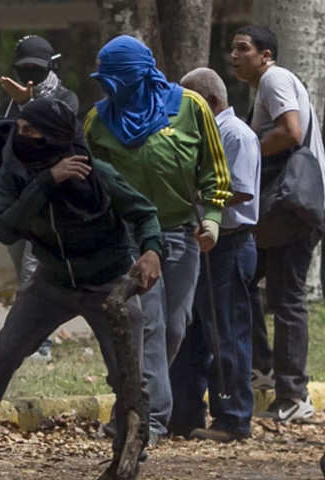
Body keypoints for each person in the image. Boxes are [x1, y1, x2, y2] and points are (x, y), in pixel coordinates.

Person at [0, 98, 162, 480]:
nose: (24, 139)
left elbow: (143, 213)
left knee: (127, 377)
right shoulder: (13, 174)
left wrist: (151, 251)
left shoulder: (96, 173)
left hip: (107, 284)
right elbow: (5, 229)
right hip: (50, 283)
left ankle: (125, 460)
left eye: (34, 132)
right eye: (20, 130)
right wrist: (46, 181)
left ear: (57, 136)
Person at [84, 35, 231, 444]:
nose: (109, 88)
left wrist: (214, 218)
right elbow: (88, 181)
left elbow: (214, 168)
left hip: (181, 232)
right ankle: (148, 421)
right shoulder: (99, 120)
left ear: (141, 75)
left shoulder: (190, 106)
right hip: (130, 236)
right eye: (104, 79)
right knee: (146, 324)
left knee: (174, 327)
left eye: (118, 79)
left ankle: (130, 407)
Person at [231, 25, 325, 421]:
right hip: (282, 210)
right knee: (243, 280)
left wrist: (246, 148)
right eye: (232, 49)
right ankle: (265, 369)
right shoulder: (265, 85)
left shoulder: (274, 78)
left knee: (286, 299)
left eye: (242, 49)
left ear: (265, 55)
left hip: (293, 210)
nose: (233, 55)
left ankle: (293, 396)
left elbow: (291, 132)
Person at [167, 67, 261, 442]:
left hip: (230, 243)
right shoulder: (204, 134)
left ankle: (233, 418)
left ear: (210, 102)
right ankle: (184, 412)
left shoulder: (234, 134)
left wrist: (192, 198)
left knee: (227, 332)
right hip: (201, 241)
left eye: (191, 104)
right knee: (192, 332)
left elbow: (237, 190)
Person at [0, 35, 79, 362]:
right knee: (24, 271)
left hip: (47, 200)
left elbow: (54, 132)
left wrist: (26, 104)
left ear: (51, 66)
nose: (29, 74)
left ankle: (37, 346)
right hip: (16, 198)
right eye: (23, 68)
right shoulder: (9, 99)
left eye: (36, 69)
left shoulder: (66, 97)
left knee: (33, 273)